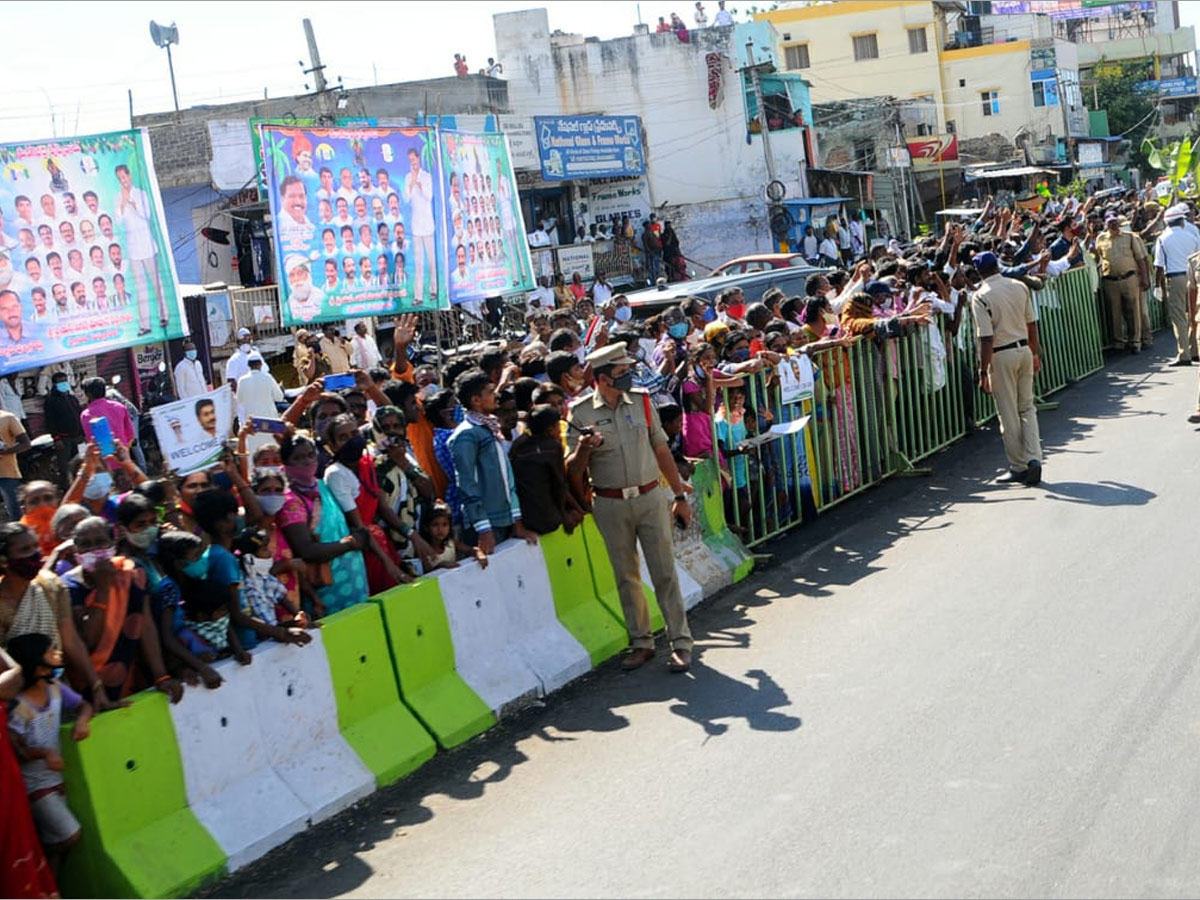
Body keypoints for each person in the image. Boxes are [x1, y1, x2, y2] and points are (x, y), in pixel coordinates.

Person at [565, 343, 695, 673]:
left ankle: (680, 642)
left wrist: (679, 496)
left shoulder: (641, 401)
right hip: (609, 502)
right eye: (621, 372)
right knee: (626, 576)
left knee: (664, 571)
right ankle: (641, 642)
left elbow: (662, 450)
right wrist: (583, 449)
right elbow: (573, 469)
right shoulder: (580, 412)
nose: (628, 376)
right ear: (603, 378)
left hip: (651, 497)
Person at [61, 516, 182, 703]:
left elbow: (145, 625)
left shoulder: (130, 573)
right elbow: (88, 641)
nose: (94, 550)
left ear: (113, 544)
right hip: (88, 687)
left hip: (129, 673)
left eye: (101, 542)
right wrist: (103, 589)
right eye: (86, 545)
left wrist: (161, 676)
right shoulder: (69, 587)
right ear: (75, 551)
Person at [5, 631, 93, 879]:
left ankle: (48, 886)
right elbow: (16, 750)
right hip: (34, 784)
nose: (58, 654)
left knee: (63, 842)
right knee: (70, 835)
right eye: (51, 651)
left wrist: (82, 722)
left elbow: (83, 705)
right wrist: (44, 753)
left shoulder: (55, 689)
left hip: (56, 778)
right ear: (37, 665)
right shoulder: (17, 706)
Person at [448, 369, 539, 554]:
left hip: (504, 521)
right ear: (476, 400)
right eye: (490, 392)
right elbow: (467, 484)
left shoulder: (489, 427)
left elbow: (507, 478)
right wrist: (483, 529)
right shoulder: (466, 434)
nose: (496, 395)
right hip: (487, 526)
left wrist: (517, 522)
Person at [971, 252, 1043, 486]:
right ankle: (1034, 458)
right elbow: (1031, 324)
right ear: (997, 266)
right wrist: (1034, 353)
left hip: (1000, 354)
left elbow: (985, 338)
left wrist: (983, 371)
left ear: (980, 272)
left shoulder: (980, 296)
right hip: (1023, 349)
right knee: (1027, 408)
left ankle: (1019, 466)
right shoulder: (1018, 286)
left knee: (1008, 414)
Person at [508, 404, 581, 536]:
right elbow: (559, 484)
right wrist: (569, 511)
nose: (560, 430)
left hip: (524, 516)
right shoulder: (552, 447)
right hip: (546, 519)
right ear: (550, 430)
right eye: (558, 426)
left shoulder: (518, 445)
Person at [114, 164, 167, 336]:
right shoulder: (117, 198)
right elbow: (119, 222)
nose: (123, 181)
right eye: (120, 179)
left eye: (124, 177)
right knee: (140, 288)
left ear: (129, 176)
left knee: (156, 283)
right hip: (133, 249)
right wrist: (123, 201)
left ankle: (164, 315)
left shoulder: (141, 194)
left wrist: (132, 202)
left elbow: (147, 215)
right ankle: (145, 325)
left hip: (147, 246)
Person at [1093, 212, 1149, 353]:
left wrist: (1145, 277)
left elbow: (1140, 258)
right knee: (1114, 313)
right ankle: (1118, 342)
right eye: (1110, 222)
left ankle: (1135, 341)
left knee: (1133, 310)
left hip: (1129, 278)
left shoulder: (1129, 237)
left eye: (1115, 222)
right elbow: (1096, 257)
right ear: (1106, 224)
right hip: (1110, 280)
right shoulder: (1101, 238)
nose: (1114, 224)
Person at [1153, 204, 1200, 366]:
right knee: (1194, 314)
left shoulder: (1162, 239)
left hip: (1175, 278)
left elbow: (1158, 265)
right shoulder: (1192, 235)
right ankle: (1195, 350)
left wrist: (1157, 285)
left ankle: (1184, 354)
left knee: (1179, 317)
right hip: (1193, 276)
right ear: (1180, 221)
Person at [404, 147, 437, 305]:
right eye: (410, 161)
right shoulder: (407, 177)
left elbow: (429, 196)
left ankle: (434, 290)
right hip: (416, 226)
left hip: (428, 224)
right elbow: (406, 198)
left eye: (414, 159)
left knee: (431, 261)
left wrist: (420, 184)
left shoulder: (426, 176)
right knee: (418, 263)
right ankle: (418, 296)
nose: (413, 162)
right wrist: (411, 185)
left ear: (418, 159)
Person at [235, 352, 284, 455]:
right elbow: (279, 397)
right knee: (272, 448)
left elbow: (240, 400)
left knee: (255, 451)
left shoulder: (242, 380)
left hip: (253, 423)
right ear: (261, 364)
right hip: (269, 420)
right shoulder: (267, 377)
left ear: (248, 365)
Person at [418, 501, 486, 572]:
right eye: (435, 525)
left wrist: (478, 553)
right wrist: (440, 566)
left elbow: (469, 550)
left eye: (444, 525)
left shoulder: (451, 543)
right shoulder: (424, 549)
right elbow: (426, 572)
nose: (440, 529)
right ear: (426, 527)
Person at [78, 376, 134, 449]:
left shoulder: (86, 414)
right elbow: (130, 436)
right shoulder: (119, 406)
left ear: (88, 394)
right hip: (122, 453)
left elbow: (90, 440)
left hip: (103, 456)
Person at [0, 402, 29, 522]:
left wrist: (5, 452)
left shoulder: (7, 418)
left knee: (17, 516)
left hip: (7, 474)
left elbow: (25, 444)